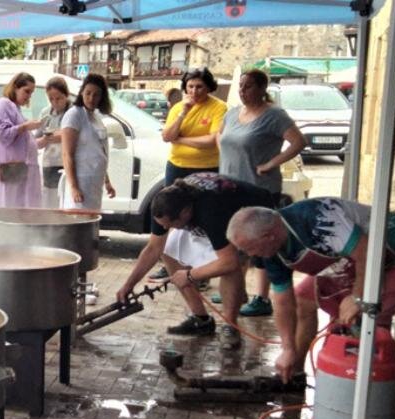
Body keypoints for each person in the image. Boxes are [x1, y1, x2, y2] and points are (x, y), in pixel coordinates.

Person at [228, 199, 395, 381]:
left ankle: (364, 393)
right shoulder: (270, 251)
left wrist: (358, 296)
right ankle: (293, 372)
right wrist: (287, 348)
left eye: (247, 249)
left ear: (268, 236)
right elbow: (283, 301)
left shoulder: (318, 218)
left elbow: (367, 252)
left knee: (366, 316)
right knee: (303, 299)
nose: (247, 255)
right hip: (355, 260)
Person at [116, 173, 276, 350]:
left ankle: (230, 325)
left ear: (185, 214)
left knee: (228, 267)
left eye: (169, 224)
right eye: (162, 224)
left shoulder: (211, 210)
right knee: (168, 250)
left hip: (252, 214)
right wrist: (128, 285)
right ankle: (201, 320)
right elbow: (154, 248)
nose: (164, 228)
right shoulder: (165, 203)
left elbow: (229, 262)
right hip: (213, 212)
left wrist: (190, 275)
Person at [217, 69, 307, 319]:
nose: (242, 91)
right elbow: (220, 135)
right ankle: (237, 289)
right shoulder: (233, 113)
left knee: (261, 244)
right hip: (229, 188)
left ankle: (262, 297)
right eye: (241, 87)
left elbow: (299, 142)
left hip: (259, 189)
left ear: (261, 88)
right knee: (236, 242)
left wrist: (270, 164)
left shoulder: (274, 115)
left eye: (247, 87)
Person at [151, 68, 227, 283]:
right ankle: (172, 263)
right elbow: (167, 135)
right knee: (172, 213)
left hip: (206, 169)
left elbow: (212, 140)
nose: (194, 91)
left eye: (199, 86)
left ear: (209, 87)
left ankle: (202, 270)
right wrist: (184, 112)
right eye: (190, 86)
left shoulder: (218, 107)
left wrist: (181, 139)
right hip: (177, 166)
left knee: (200, 219)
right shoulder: (178, 107)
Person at [0, 72, 43, 208]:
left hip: (16, 169)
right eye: (26, 91)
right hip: (8, 168)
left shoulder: (15, 108)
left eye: (31, 93)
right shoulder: (3, 104)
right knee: (6, 206)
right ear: (15, 87)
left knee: (15, 207)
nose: (29, 96)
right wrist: (25, 127)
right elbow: (0, 133)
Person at [60, 73, 115, 211]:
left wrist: (107, 181)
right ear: (81, 92)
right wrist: (74, 187)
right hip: (81, 181)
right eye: (88, 93)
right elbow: (67, 154)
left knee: (91, 223)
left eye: (96, 95)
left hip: (95, 183)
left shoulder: (95, 117)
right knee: (77, 224)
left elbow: (99, 151)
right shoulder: (74, 115)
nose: (91, 98)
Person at [36, 77, 70, 209]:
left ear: (66, 95)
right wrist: (45, 140)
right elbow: (36, 141)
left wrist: (61, 135)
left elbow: (73, 135)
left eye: (59, 98)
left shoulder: (73, 112)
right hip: (50, 163)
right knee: (50, 203)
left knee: (65, 201)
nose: (55, 103)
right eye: (51, 99)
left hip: (67, 163)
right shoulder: (45, 113)